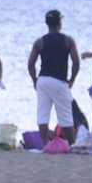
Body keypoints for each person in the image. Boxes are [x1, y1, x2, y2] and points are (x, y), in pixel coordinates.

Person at [27, 10, 81, 147]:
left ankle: (45, 144)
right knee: (65, 115)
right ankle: (72, 144)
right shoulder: (68, 40)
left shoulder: (40, 42)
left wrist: (35, 80)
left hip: (43, 80)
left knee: (43, 113)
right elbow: (76, 62)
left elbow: (31, 64)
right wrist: (72, 79)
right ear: (60, 23)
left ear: (47, 23)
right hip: (59, 81)